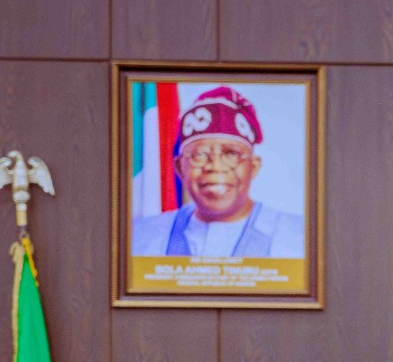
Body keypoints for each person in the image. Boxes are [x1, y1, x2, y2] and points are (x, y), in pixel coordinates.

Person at [130, 85, 306, 259]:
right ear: (180, 168)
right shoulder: (139, 238)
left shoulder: (301, 239)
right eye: (199, 154)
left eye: (231, 154)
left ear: (253, 167)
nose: (215, 165)